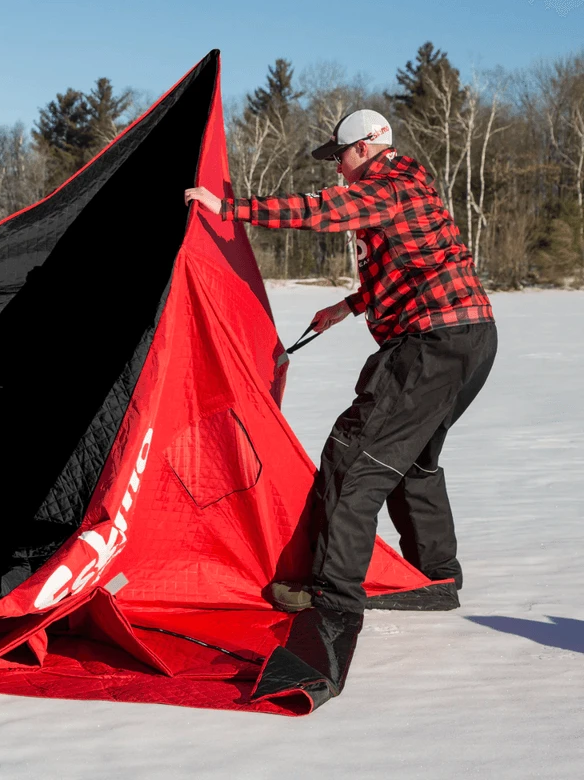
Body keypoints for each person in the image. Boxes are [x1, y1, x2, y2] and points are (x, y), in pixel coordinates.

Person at [184, 109, 497, 615]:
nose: (336, 170)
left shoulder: (386, 187)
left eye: (340, 158)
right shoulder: (414, 184)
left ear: (364, 149)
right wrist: (347, 306)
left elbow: (319, 211)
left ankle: (331, 593)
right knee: (412, 460)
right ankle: (435, 577)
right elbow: (413, 266)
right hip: (473, 337)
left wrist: (227, 208)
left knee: (353, 459)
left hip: (430, 345)